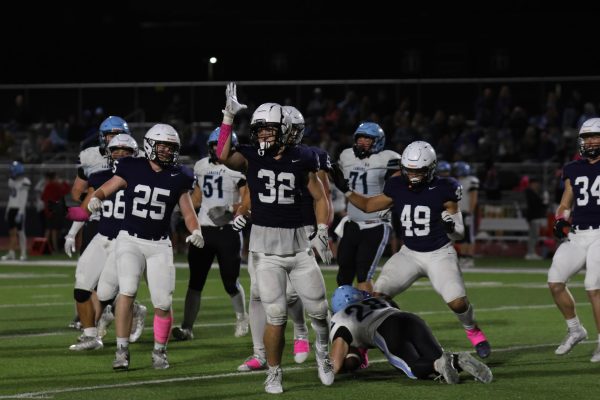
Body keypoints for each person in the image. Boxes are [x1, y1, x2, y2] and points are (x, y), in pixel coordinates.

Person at [216, 83, 334, 394]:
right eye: (260, 130)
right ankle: (274, 371)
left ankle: (323, 352)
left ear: (283, 129)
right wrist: (228, 117)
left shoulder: (303, 157)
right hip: (264, 249)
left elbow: (321, 198)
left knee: (320, 312)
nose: (264, 135)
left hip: (298, 246)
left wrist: (322, 229)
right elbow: (222, 154)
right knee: (276, 314)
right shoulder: (253, 156)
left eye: (269, 129)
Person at [330, 140, 492, 359]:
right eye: (410, 171)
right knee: (378, 297)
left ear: (431, 168)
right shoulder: (397, 185)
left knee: (457, 302)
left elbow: (459, 234)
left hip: (439, 253)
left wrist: (450, 226)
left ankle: (473, 330)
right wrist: (345, 189)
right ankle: (364, 347)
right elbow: (369, 206)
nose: (414, 176)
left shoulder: (445, 188)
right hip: (409, 253)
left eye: (419, 171)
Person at [87, 123, 204, 371]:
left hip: (160, 244)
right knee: (127, 291)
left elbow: (188, 211)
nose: (166, 151)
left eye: (171, 147)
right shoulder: (131, 166)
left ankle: (159, 351)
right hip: (130, 239)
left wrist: (196, 231)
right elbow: (109, 187)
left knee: (162, 301)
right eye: (162, 146)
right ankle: (121, 350)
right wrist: (96, 197)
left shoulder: (180, 175)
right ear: (150, 145)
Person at [67, 134, 147, 351]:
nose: (120, 154)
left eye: (125, 150)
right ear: (108, 153)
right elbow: (84, 207)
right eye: (115, 150)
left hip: (126, 241)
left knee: (110, 294)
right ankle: (90, 336)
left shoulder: (143, 177)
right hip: (102, 238)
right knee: (82, 287)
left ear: (135, 154)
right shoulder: (100, 176)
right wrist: (72, 232)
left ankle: (125, 337)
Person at [171, 127, 249, 341]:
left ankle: (242, 318)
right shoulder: (201, 166)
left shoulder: (238, 169)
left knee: (230, 282)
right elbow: (196, 198)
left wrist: (229, 209)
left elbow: (248, 202)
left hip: (228, 232)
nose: (217, 149)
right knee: (195, 282)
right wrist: (178, 207)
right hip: (203, 231)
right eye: (214, 145)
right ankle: (187, 327)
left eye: (221, 145)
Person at [329, 285, 493, 384]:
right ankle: (456, 360)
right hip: (410, 319)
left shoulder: (340, 319)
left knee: (413, 368)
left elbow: (335, 366)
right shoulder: (376, 301)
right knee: (437, 357)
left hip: (386, 329)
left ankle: (447, 363)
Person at [64, 115, 129, 330]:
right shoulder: (92, 160)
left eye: (118, 136)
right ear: (102, 138)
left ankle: (124, 310)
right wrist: (95, 200)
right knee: (88, 274)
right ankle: (92, 321)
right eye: (110, 136)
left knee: (115, 281)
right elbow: (77, 193)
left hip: (124, 227)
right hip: (96, 221)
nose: (114, 142)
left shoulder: (136, 164)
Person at [548, 117, 600, 362]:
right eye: (586, 137)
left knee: (593, 286)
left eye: (595, 136)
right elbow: (566, 202)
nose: (590, 141)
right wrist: (561, 219)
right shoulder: (573, 168)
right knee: (555, 281)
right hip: (579, 234)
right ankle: (575, 329)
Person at [334, 122, 401, 293]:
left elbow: (396, 189)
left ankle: (370, 314)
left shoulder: (389, 158)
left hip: (376, 223)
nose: (362, 142)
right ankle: (346, 312)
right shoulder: (346, 155)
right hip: (352, 222)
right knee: (344, 275)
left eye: (368, 139)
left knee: (364, 274)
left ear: (378, 141)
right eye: (360, 138)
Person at [452, 161, 479, 268]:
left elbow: (473, 197)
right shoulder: (457, 181)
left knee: (469, 237)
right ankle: (463, 257)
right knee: (462, 237)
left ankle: (469, 258)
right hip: (458, 213)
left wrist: (471, 212)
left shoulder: (471, 181)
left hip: (468, 213)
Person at [2, 161, 30, 261]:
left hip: (19, 209)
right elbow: (11, 197)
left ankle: (23, 253)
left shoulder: (25, 181)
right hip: (12, 208)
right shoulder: (12, 181)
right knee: (12, 233)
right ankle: (12, 253)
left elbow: (24, 198)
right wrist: (7, 210)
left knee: (21, 232)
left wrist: (21, 212)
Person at [524, 178, 547, 260]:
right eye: (536, 183)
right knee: (533, 235)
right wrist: (542, 200)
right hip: (533, 216)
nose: (537, 185)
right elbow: (534, 203)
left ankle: (532, 252)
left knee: (535, 235)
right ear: (532, 184)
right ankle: (530, 253)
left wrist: (544, 202)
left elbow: (542, 205)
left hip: (536, 216)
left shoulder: (535, 192)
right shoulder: (529, 192)